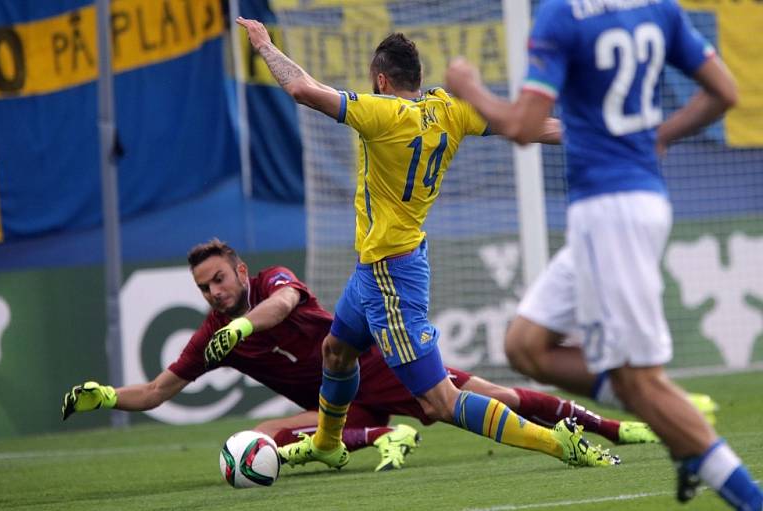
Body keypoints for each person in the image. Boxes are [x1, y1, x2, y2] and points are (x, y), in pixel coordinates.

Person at [233, 17, 621, 472]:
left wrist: (264, 44)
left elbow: (303, 89)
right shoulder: (450, 109)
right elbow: (530, 126)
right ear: (417, 77)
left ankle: (559, 442)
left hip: (389, 276)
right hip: (378, 268)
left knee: (440, 400)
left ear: (381, 80)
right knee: (335, 352)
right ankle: (326, 441)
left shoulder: (382, 115)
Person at [444, 1, 761, 509]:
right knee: (526, 345)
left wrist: (469, 88)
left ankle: (743, 491)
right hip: (629, 205)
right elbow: (724, 92)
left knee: (641, 380)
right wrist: (661, 136)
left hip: (610, 215)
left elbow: (524, 128)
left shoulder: (562, 14)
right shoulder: (659, 8)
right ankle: (674, 425)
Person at [62, 239, 655, 473]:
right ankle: (378, 438)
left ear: (239, 272)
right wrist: (109, 396)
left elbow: (285, 302)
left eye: (219, 280)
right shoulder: (210, 334)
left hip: (383, 366)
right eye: (205, 289)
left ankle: (611, 426)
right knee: (262, 434)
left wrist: (238, 325)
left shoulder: (269, 285)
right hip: (337, 406)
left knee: (492, 396)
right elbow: (159, 390)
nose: (214, 292)